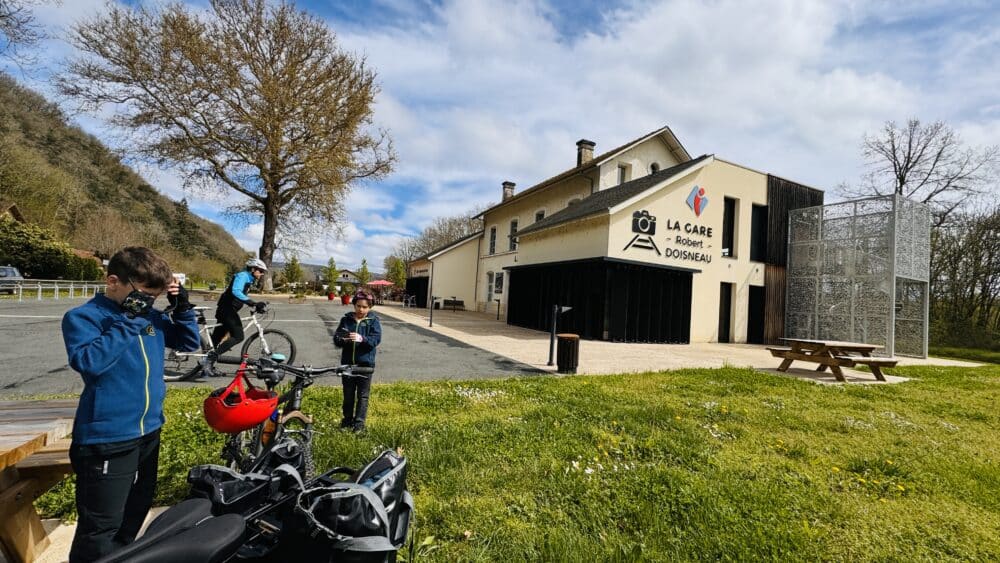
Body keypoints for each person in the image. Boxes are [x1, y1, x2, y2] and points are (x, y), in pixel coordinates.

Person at [61, 247, 200, 562]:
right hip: (107, 438)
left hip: (149, 431)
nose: (149, 302)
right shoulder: (83, 317)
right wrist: (130, 319)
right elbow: (91, 362)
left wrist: (182, 308)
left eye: (155, 296)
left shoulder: (148, 316)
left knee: (134, 514)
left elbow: (189, 343)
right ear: (113, 282)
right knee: (100, 528)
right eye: (143, 295)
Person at [333, 290, 382, 432]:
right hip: (348, 365)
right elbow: (337, 338)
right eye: (358, 306)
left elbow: (376, 340)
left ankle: (359, 424)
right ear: (354, 305)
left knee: (363, 396)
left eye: (365, 307)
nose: (361, 309)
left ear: (370, 307)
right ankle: (347, 421)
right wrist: (343, 339)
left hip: (365, 365)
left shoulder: (373, 321)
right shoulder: (346, 320)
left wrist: (362, 339)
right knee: (348, 395)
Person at [210, 257, 268, 364]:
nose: (261, 274)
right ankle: (211, 358)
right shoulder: (243, 276)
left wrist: (256, 306)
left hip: (226, 310)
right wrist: (252, 303)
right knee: (238, 336)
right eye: (260, 271)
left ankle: (207, 365)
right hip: (227, 310)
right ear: (252, 269)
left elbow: (241, 296)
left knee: (216, 339)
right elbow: (236, 291)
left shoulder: (248, 279)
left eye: (262, 272)